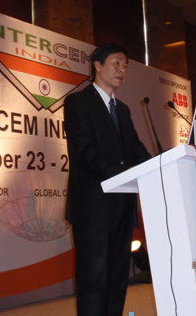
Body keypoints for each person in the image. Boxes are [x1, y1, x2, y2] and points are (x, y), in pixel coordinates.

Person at [64, 43, 151, 316]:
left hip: (122, 205)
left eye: (125, 65)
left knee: (116, 279)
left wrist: (157, 167)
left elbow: (135, 147)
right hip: (93, 207)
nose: (122, 69)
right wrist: (120, 174)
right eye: (116, 63)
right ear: (98, 65)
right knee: (94, 280)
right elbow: (85, 150)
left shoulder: (122, 109)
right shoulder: (78, 102)